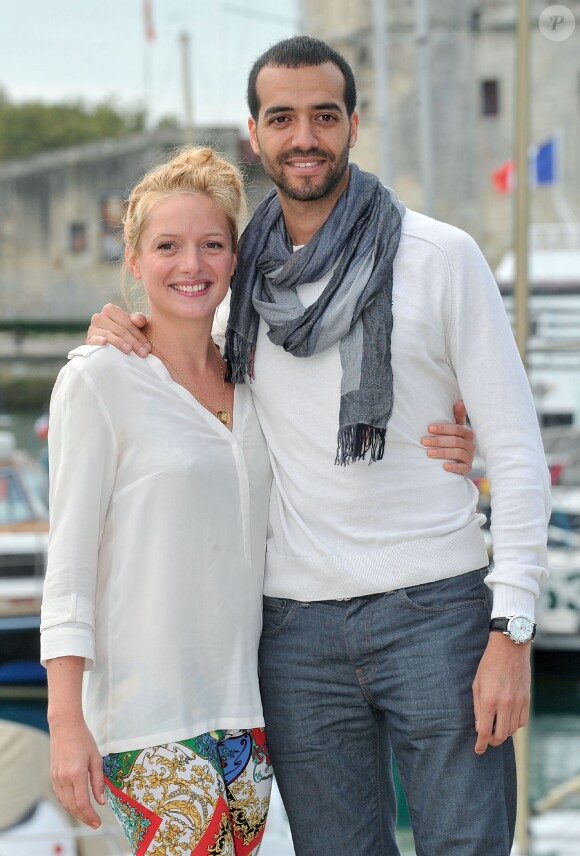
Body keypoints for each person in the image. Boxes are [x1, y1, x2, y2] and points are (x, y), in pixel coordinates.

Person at [87, 36, 551, 856]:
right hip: (294, 634)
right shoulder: (240, 285)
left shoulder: (440, 258)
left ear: (353, 127)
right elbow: (180, 346)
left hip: (436, 612)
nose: (305, 136)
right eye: (284, 117)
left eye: (324, 116)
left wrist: (511, 635)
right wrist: (118, 327)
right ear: (255, 134)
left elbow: (515, 453)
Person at [41, 147, 274, 855]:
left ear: (235, 260)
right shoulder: (98, 380)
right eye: (167, 246)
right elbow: (70, 561)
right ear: (135, 262)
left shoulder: (262, 384)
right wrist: (65, 721)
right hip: (147, 721)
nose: (191, 265)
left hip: (247, 718)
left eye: (211, 245)